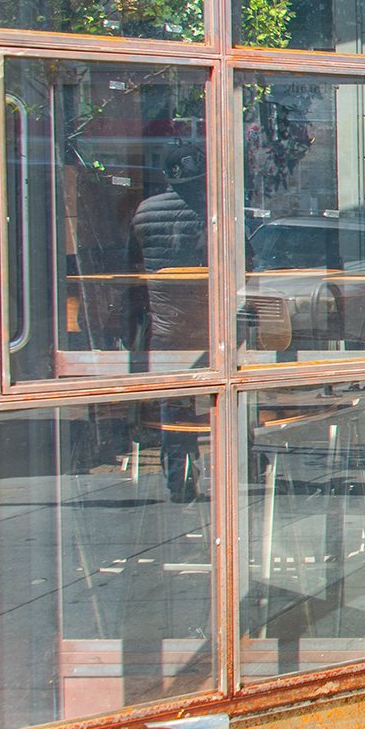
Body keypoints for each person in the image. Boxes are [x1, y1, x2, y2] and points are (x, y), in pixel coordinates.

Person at [130, 143, 208, 500]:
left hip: (165, 327)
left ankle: (179, 479)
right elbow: (244, 263)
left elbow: (131, 269)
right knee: (233, 399)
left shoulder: (144, 212)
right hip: (208, 324)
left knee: (175, 404)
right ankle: (245, 463)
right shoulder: (211, 211)